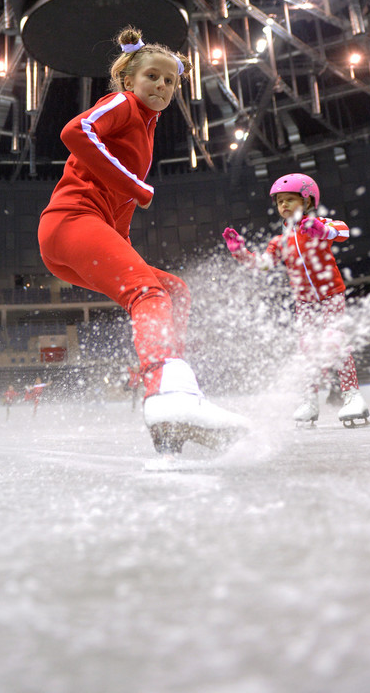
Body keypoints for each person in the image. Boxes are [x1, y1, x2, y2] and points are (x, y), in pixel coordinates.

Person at [38, 25, 251, 454]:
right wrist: (137, 185)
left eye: (170, 80)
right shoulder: (121, 104)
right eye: (152, 75)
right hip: (70, 221)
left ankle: (177, 389)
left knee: (174, 290)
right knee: (147, 293)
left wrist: (125, 226)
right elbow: (75, 133)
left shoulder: (146, 128)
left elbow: (116, 213)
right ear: (128, 79)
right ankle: (168, 393)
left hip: (84, 235)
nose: (161, 85)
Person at [222, 172, 369, 426]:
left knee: (336, 342)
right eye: (280, 201)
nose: (284, 205)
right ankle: (309, 402)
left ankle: (352, 396)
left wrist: (323, 230)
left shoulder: (317, 226)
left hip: (331, 295)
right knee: (307, 350)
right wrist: (241, 253)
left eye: (290, 199)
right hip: (304, 301)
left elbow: (342, 231)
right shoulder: (279, 241)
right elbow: (263, 265)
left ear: (309, 201)